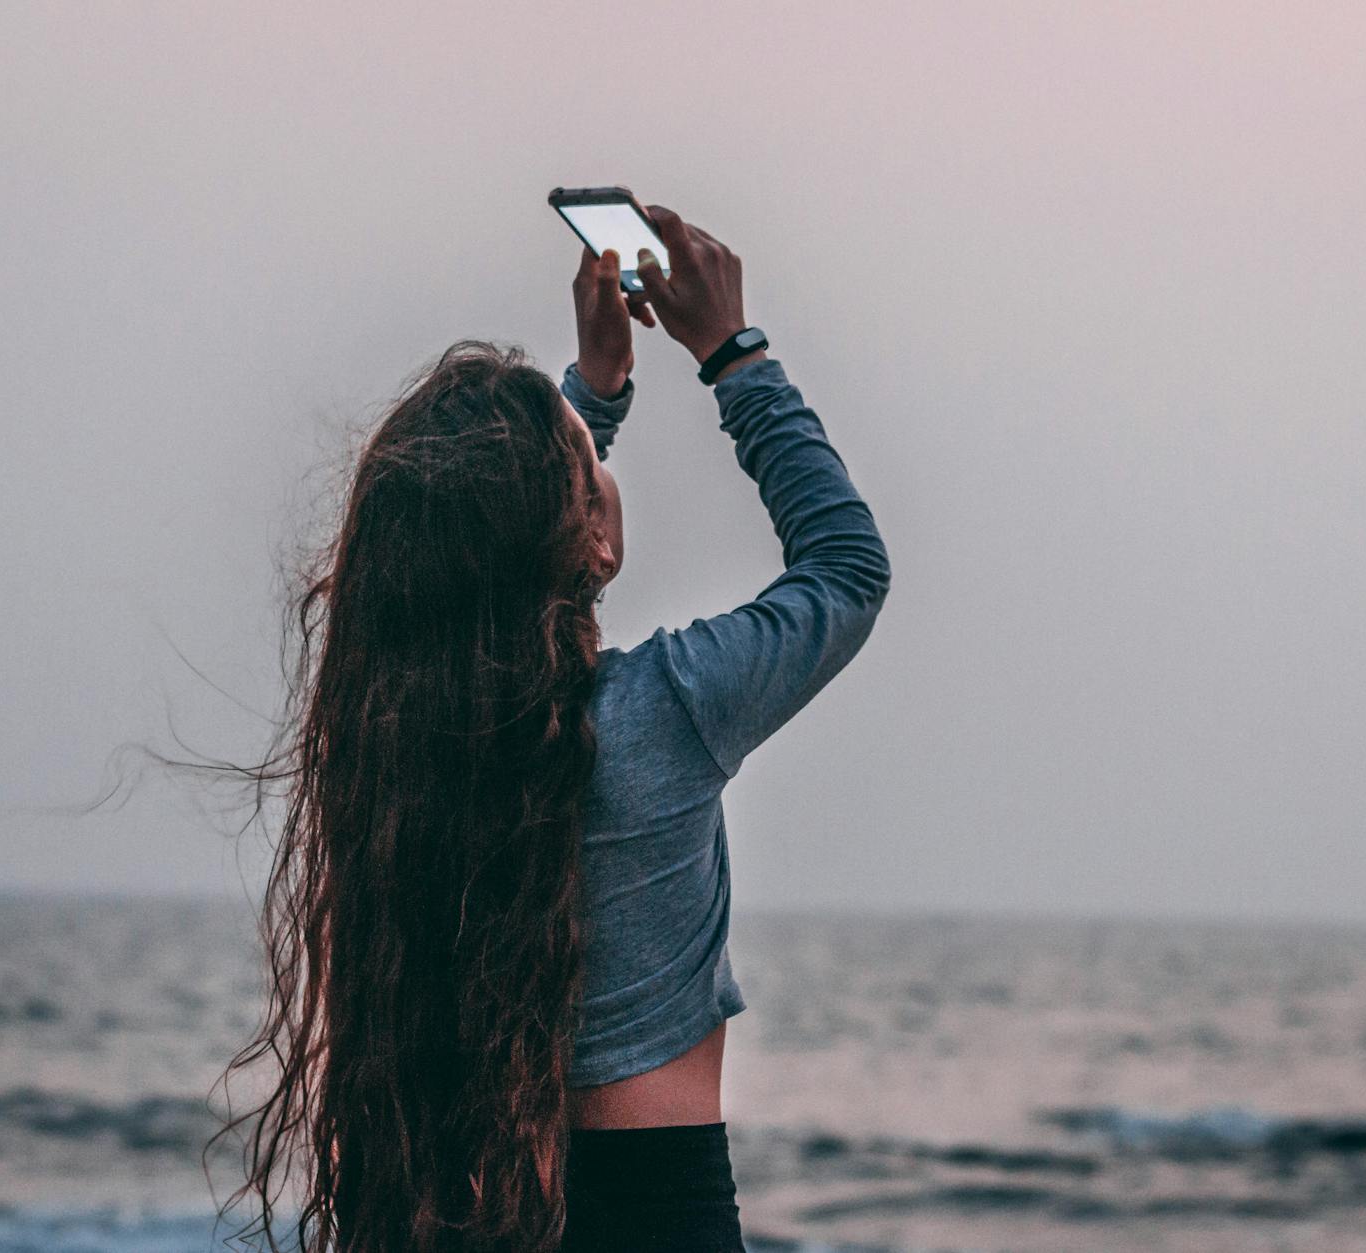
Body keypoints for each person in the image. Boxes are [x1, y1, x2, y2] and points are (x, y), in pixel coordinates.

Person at [208, 203, 891, 1253]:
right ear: (599, 540)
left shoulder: (407, 746)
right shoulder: (665, 710)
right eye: (587, 456)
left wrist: (596, 391)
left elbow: (497, 569)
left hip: (477, 1218)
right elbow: (845, 567)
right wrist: (731, 354)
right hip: (668, 1220)